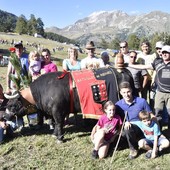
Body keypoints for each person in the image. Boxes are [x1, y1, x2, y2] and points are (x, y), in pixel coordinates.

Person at [129, 45, 170, 129]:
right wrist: (130, 65)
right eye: (163, 53)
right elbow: (143, 67)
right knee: (157, 112)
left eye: (167, 52)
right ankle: (158, 131)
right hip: (160, 92)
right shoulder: (158, 62)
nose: (164, 54)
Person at [115, 81, 155, 159]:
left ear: (131, 90)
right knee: (119, 140)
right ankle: (132, 143)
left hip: (142, 127)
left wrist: (157, 129)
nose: (126, 95)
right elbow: (117, 119)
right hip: (127, 128)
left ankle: (133, 149)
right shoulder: (118, 105)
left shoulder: (141, 101)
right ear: (120, 93)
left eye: (128, 91)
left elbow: (151, 115)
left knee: (128, 129)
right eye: (124, 92)